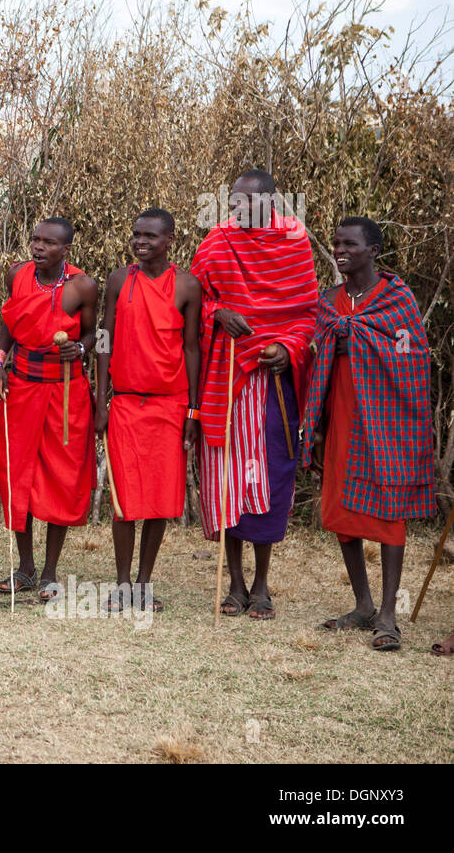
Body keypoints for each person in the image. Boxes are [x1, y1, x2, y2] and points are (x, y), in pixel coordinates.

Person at [304, 217, 436, 651]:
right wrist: (317, 428)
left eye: (351, 244)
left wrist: (357, 342)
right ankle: (362, 606)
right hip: (340, 417)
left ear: (374, 250)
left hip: (386, 422)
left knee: (388, 511)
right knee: (342, 508)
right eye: (337, 243)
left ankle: (388, 616)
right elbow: (319, 356)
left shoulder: (396, 299)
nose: (341, 250)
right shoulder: (330, 301)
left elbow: (412, 353)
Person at [191, 170, 318, 621]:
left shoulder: (294, 243)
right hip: (225, 377)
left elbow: (308, 314)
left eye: (250, 201)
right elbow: (192, 302)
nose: (238, 208)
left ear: (271, 203)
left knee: (269, 478)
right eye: (234, 200)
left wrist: (288, 348)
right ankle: (236, 583)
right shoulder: (216, 243)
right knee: (227, 478)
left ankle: (262, 585)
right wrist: (218, 312)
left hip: (272, 386)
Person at [93, 208, 201, 612]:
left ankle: (143, 584)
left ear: (169, 239)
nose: (141, 242)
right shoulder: (120, 280)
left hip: (169, 406)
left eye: (150, 236)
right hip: (124, 402)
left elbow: (192, 349)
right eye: (136, 234)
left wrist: (193, 410)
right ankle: (121, 584)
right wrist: (101, 399)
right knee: (123, 499)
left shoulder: (187, 285)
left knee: (158, 499)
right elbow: (104, 338)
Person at [0, 218, 98, 601]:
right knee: (18, 474)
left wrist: (80, 349)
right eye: (34, 239)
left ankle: (51, 572)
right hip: (21, 386)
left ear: (65, 250)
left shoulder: (82, 286)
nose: (38, 247)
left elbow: (91, 334)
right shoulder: (16, 274)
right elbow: (9, 324)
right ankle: (25, 568)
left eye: (48, 243)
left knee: (61, 478)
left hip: (66, 390)